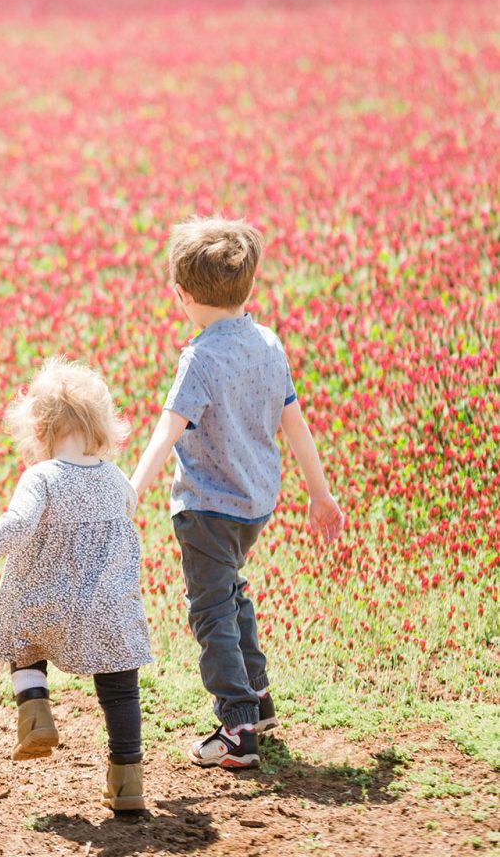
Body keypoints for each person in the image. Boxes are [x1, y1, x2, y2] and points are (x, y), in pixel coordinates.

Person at [130, 216, 344, 770]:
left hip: (204, 510)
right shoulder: (268, 343)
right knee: (231, 596)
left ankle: (237, 725)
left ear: (180, 295)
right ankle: (260, 699)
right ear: (249, 286)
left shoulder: (198, 359)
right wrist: (320, 495)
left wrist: (128, 493)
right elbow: (295, 425)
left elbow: (165, 433)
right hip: (254, 506)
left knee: (211, 612)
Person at [0, 357, 152, 814]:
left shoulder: (40, 477)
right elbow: (128, 510)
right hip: (108, 612)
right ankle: (127, 782)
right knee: (121, 690)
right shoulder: (116, 480)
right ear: (101, 424)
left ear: (38, 429)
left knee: (19, 625)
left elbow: (18, 524)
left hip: (45, 607)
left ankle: (34, 708)